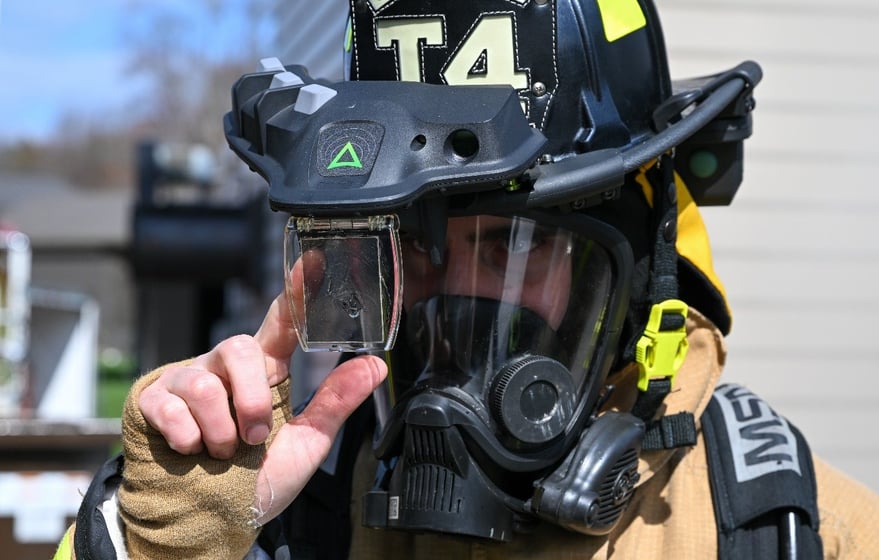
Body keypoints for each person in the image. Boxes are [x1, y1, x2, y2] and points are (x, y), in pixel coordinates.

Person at [59, 0, 879, 558]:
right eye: (415, 250)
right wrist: (153, 545)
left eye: (504, 249)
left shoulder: (787, 531)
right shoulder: (282, 509)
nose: (449, 317)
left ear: (635, 281)